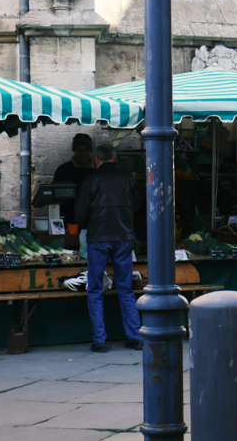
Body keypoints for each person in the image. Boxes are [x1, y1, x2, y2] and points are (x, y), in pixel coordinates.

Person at [75, 144, 141, 353]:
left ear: (96, 159)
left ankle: (100, 340)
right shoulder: (129, 178)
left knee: (95, 288)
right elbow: (137, 205)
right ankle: (135, 337)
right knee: (125, 288)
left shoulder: (91, 179)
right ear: (116, 159)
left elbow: (80, 215)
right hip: (124, 237)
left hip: (98, 238)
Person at [52, 132, 95, 224]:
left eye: (86, 149)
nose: (83, 153)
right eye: (79, 149)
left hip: (95, 220)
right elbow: (56, 198)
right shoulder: (63, 170)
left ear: (90, 150)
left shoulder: (98, 170)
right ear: (74, 150)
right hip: (70, 220)